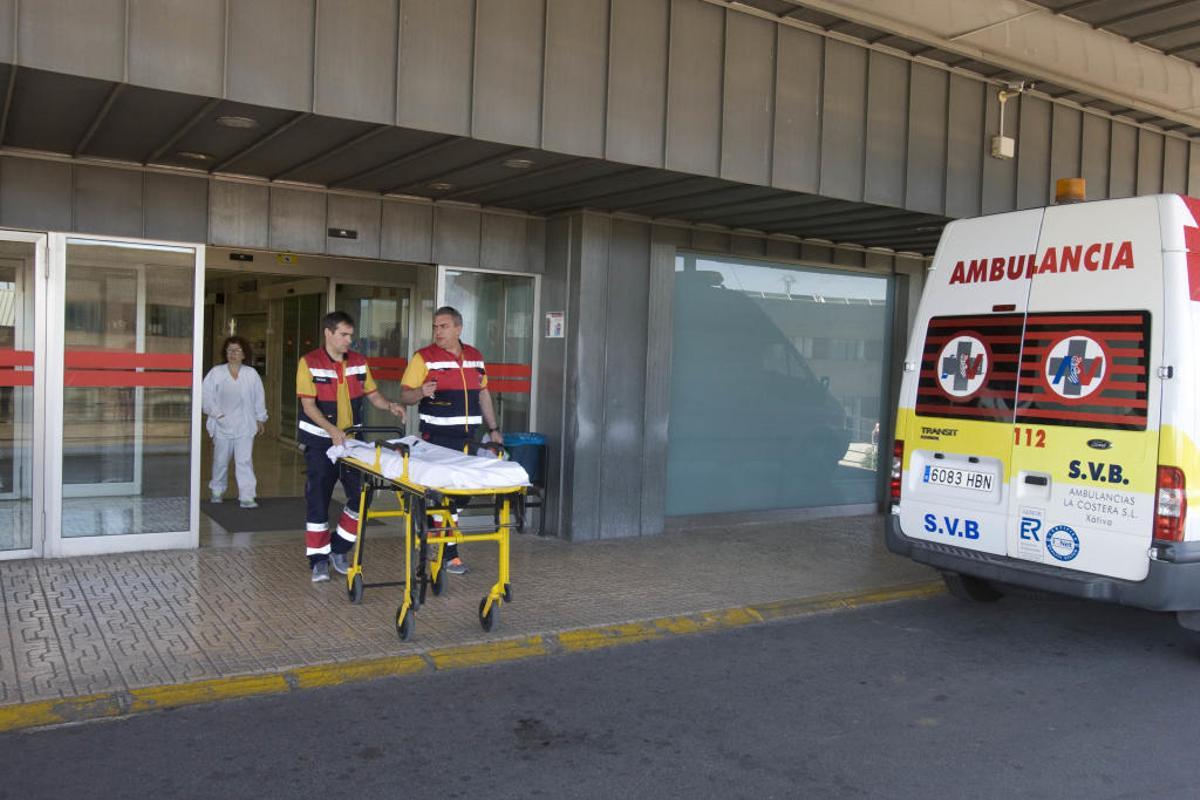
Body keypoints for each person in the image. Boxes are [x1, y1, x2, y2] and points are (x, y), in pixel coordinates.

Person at [297, 311, 406, 583]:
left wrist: (390, 405)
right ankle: (319, 560)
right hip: (320, 442)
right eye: (343, 335)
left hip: (352, 442)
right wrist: (331, 430)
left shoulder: (358, 362)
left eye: (350, 335)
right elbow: (308, 406)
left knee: (362, 495)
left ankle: (339, 548)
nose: (349, 341)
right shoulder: (309, 362)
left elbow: (373, 395)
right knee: (318, 500)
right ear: (328, 333)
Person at [400, 306, 504, 576]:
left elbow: (483, 395)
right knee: (444, 493)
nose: (438, 331)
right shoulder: (423, 357)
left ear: (458, 328)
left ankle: (428, 522)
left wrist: (494, 430)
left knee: (463, 492)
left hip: (468, 439)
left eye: (443, 326)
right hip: (437, 439)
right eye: (435, 327)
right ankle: (449, 554)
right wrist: (420, 392)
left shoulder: (475, 357)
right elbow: (406, 397)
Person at [202, 336, 267, 509]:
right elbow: (205, 397)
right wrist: (218, 415)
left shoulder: (251, 374)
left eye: (237, 350)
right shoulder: (216, 372)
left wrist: (260, 417)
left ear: (244, 354)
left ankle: (247, 496)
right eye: (230, 350)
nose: (233, 353)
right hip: (222, 424)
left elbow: (259, 397)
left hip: (245, 425)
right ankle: (217, 491)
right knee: (221, 460)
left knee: (244, 461)